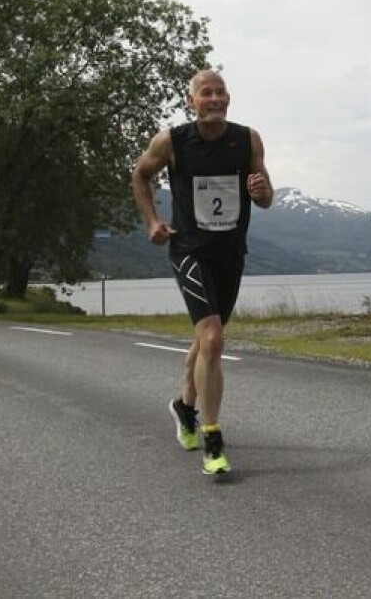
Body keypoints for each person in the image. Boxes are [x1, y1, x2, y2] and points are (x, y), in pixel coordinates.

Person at [131, 70, 273, 474]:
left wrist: (263, 193)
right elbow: (140, 175)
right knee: (212, 338)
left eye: (220, 93)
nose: (214, 99)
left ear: (229, 99)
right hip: (189, 250)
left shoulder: (247, 139)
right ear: (191, 100)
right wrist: (152, 221)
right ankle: (213, 438)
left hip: (230, 254)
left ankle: (184, 406)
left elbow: (265, 196)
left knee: (205, 342)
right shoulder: (171, 141)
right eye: (205, 93)